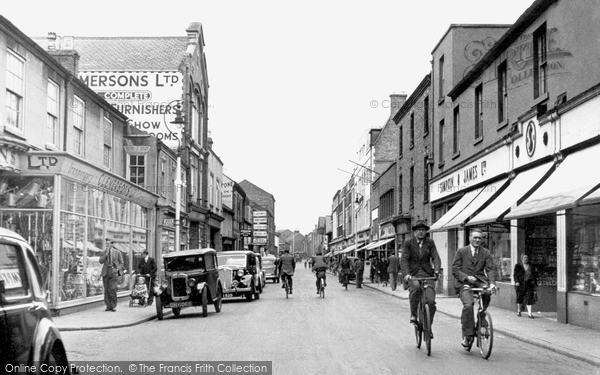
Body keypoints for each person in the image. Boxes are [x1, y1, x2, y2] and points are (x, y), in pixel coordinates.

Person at [452, 228, 497, 349]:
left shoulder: (485, 252)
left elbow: (490, 269)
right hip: (464, 283)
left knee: (487, 292)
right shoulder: (461, 251)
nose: (477, 240)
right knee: (468, 305)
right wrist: (466, 278)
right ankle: (467, 336)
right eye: (475, 237)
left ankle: (482, 315)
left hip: (480, 281)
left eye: (479, 238)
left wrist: (492, 283)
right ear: (470, 238)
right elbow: (455, 269)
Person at [401, 220, 441, 338]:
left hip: (427, 274)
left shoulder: (430, 243)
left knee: (431, 302)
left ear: (426, 232)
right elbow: (404, 260)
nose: (421, 232)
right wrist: (406, 274)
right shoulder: (408, 243)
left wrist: (437, 270)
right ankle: (414, 314)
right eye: (418, 230)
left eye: (423, 230)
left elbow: (436, 257)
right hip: (413, 274)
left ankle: (428, 327)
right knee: (416, 288)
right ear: (414, 232)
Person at [99, 238, 124, 312]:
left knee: (112, 289)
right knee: (106, 290)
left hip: (113, 272)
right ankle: (108, 306)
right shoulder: (103, 252)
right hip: (105, 272)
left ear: (112, 244)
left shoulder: (117, 252)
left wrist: (117, 269)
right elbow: (100, 261)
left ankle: (113, 306)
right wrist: (105, 255)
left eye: (108, 243)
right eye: (106, 243)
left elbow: (121, 263)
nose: (107, 245)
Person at [514, 253, 538, 318]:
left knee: (529, 298)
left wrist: (535, 284)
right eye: (524, 258)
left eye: (527, 258)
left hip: (529, 284)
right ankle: (519, 311)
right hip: (520, 284)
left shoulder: (531, 266)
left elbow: (534, 275)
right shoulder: (518, 266)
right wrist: (516, 282)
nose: (525, 259)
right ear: (521, 259)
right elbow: (515, 275)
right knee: (519, 298)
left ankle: (530, 313)